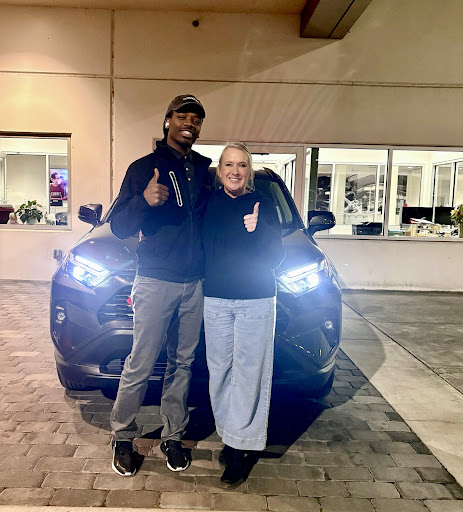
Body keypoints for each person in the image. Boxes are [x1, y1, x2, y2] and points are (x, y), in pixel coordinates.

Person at [109, 94, 212, 476]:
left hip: (195, 284)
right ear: (168, 120)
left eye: (196, 119)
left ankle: (173, 435)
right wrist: (144, 200)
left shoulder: (204, 171)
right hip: (155, 280)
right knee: (141, 362)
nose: (189, 123)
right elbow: (119, 226)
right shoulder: (143, 169)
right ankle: (122, 436)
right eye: (182, 116)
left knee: (182, 364)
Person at [202, 142, 285, 487]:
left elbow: (277, 256)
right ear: (220, 170)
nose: (235, 171)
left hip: (256, 300)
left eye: (241, 165)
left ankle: (240, 449)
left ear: (248, 171)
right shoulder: (208, 202)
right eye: (229, 165)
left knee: (250, 374)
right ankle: (230, 435)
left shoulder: (263, 204)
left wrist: (259, 229)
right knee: (220, 372)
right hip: (216, 299)